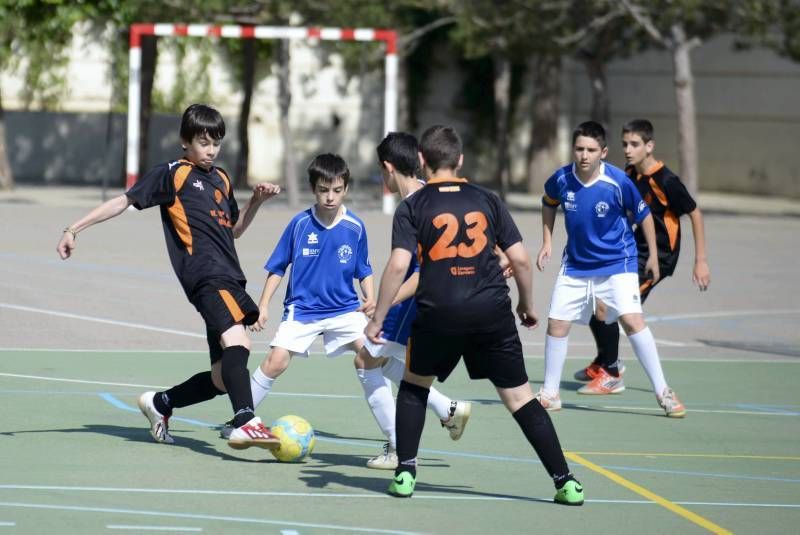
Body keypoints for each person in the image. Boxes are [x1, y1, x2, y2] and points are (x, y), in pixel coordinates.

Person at [366, 125, 584, 505]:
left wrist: (378, 315)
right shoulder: (487, 199)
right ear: (460, 160)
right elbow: (518, 259)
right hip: (490, 312)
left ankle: (405, 473)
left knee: (415, 388)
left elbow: (400, 265)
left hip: (440, 313)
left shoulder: (413, 207)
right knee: (521, 399)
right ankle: (565, 481)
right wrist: (527, 305)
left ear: (422, 161)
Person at [56, 103, 282, 450]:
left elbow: (233, 232)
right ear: (185, 141)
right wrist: (75, 228)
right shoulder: (172, 173)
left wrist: (255, 202)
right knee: (240, 342)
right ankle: (245, 421)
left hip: (230, 277)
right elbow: (124, 201)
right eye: (203, 142)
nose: (210, 150)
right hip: (205, 277)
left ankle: (161, 403)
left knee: (222, 378)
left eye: (216, 143)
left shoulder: (221, 178)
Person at [535, 120, 685, 418]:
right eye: (579, 149)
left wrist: (653, 256)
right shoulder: (561, 179)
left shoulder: (618, 181)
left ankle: (664, 392)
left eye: (591, 150)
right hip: (576, 265)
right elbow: (548, 203)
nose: (584, 155)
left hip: (618, 263)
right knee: (556, 325)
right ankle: (550, 394)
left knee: (632, 321)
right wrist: (547, 241)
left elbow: (643, 216)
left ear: (603, 152)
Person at [219, 153, 375, 438]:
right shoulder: (300, 225)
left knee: (375, 354)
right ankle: (241, 417)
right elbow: (278, 268)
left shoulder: (355, 227)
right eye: (323, 190)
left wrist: (371, 299)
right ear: (313, 189)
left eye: (337, 190)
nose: (330, 197)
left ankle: (439, 408)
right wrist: (263, 306)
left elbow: (364, 269)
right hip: (302, 310)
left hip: (344, 310)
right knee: (276, 361)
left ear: (346, 189)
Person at [358, 132, 472, 470]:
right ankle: (448, 410)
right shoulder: (434, 194)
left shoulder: (412, 206)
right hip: (444, 300)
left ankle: (398, 447)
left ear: (388, 167)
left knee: (365, 362)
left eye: (382, 172)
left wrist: (383, 304)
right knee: (396, 365)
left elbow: (415, 268)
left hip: (417, 299)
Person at [573, 119, 710, 394]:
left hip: (657, 257)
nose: (627, 149)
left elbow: (694, 213)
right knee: (594, 302)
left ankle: (611, 372)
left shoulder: (666, 180)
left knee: (608, 308)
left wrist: (701, 260)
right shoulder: (630, 173)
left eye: (634, 144)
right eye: (624, 144)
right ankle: (606, 361)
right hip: (630, 251)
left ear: (650, 146)